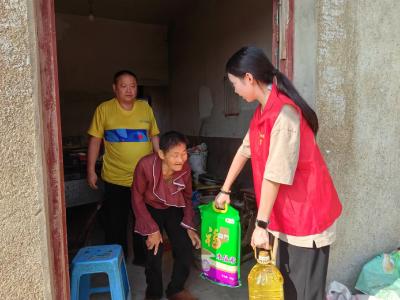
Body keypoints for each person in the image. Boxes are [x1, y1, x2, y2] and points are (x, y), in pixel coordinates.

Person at [215, 46, 342, 299]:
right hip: (283, 215)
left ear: (249, 78)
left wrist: (260, 225)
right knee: (287, 289)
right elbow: (244, 150)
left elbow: (275, 174)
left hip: (306, 217)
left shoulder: (285, 114)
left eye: (234, 84)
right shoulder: (262, 112)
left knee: (304, 293)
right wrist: (224, 190)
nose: (235, 90)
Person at [87, 70, 160, 264]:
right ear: (115, 88)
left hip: (143, 178)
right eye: (124, 85)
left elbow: (154, 136)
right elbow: (95, 141)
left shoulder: (145, 109)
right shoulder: (104, 109)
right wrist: (90, 170)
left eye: (133, 85)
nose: (129, 90)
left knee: (142, 219)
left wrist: (161, 163)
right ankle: (116, 259)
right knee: (115, 223)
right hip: (115, 178)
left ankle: (143, 258)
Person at [131, 131, 201, 300]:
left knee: (185, 246)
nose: (181, 159)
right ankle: (154, 293)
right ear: (161, 154)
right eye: (175, 155)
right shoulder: (145, 166)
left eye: (184, 154)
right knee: (154, 251)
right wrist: (151, 229)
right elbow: (137, 198)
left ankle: (176, 289)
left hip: (173, 207)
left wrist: (189, 226)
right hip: (149, 208)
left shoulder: (185, 168)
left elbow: (187, 197)